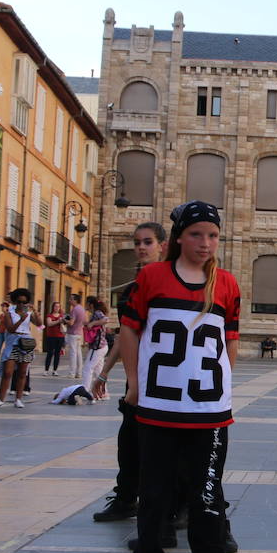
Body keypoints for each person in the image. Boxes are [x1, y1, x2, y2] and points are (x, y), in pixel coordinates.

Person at [120, 201, 240, 553]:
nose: (205, 243)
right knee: (153, 490)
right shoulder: (152, 277)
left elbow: (230, 340)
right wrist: (133, 383)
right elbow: (130, 331)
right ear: (178, 238)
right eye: (196, 234)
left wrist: (224, 383)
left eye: (212, 235)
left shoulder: (226, 284)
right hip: (159, 405)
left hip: (207, 410)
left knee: (206, 492)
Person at [92, 222, 168, 523]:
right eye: (137, 242)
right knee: (129, 442)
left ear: (162, 245)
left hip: (161, 376)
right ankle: (125, 498)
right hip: (135, 378)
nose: (141, 247)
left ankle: (171, 506)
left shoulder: (168, 282)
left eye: (147, 242)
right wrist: (103, 372)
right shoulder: (135, 285)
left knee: (161, 447)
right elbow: (127, 335)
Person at [0, 288, 35, 408]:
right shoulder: (9, 314)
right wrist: (21, 320)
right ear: (15, 302)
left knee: (22, 373)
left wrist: (35, 312)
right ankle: (0, 399)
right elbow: (11, 329)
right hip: (12, 344)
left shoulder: (29, 314)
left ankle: (18, 399)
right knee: (7, 372)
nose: (22, 304)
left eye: (24, 302)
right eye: (19, 301)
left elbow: (40, 324)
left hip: (26, 344)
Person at [81, 299, 109, 394]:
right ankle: (103, 393)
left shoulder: (97, 313)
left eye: (86, 304)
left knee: (87, 368)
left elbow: (106, 319)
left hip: (97, 346)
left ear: (90, 304)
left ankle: (85, 390)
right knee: (98, 371)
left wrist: (92, 323)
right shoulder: (95, 314)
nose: (85, 305)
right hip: (102, 346)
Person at [42, 302, 66, 375]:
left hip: (60, 337)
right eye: (55, 306)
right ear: (53, 307)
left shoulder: (62, 316)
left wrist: (63, 320)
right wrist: (58, 321)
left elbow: (66, 324)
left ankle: (55, 370)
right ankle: (46, 370)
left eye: (58, 307)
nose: (57, 308)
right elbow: (49, 324)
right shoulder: (49, 316)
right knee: (50, 353)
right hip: (51, 337)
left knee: (57, 354)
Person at [66, 295, 86, 380]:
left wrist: (64, 320)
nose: (69, 300)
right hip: (79, 333)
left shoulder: (74, 310)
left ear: (75, 300)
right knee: (79, 353)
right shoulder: (82, 309)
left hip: (73, 333)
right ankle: (79, 373)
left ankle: (72, 373)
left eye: (71, 299)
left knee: (73, 353)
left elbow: (71, 323)